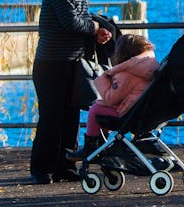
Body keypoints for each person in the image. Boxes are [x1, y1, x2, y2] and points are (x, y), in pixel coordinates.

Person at [29, 0, 114, 185]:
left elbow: (83, 20)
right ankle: (41, 168)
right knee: (50, 117)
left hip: (73, 63)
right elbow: (72, 23)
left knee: (70, 117)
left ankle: (64, 166)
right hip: (51, 64)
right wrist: (97, 26)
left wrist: (97, 33)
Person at [68, 34, 158, 162]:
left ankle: (92, 146)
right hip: (141, 111)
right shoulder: (149, 66)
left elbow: (111, 99)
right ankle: (101, 143)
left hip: (129, 114)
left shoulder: (127, 74)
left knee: (96, 109)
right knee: (103, 109)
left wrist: (103, 80)